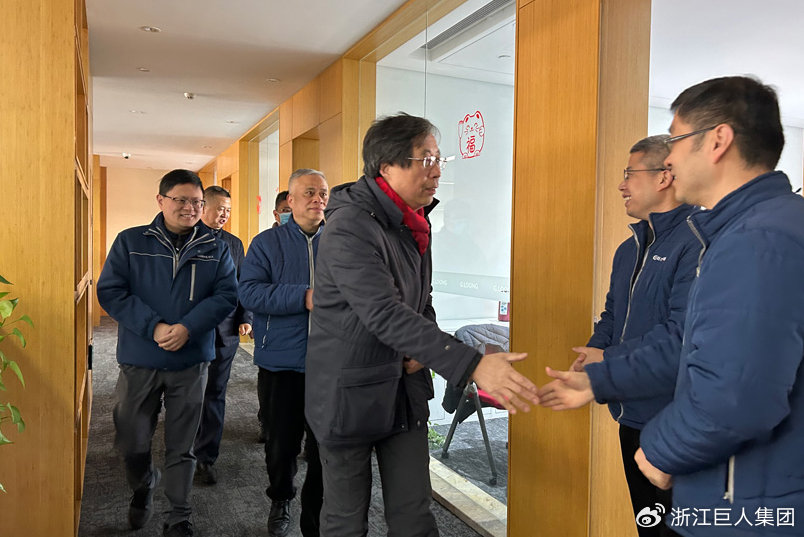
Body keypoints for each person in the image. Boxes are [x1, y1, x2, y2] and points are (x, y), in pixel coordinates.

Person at [304, 113, 539, 536]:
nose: (438, 171)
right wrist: (471, 364)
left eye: (439, 159)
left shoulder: (413, 220)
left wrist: (420, 351)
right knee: (346, 520)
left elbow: (419, 303)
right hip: (349, 392)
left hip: (403, 391)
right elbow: (383, 311)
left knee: (414, 516)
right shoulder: (350, 226)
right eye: (426, 159)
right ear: (386, 166)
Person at [632, 76, 804, 536]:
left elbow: (737, 395)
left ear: (717, 140)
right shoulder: (758, 228)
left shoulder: (759, 240)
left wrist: (661, 448)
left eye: (675, 139)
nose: (668, 157)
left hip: (746, 503)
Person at [538, 135, 699, 536]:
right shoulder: (629, 249)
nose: (621, 185)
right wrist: (594, 350)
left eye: (630, 174)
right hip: (631, 413)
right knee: (649, 526)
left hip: (676, 419)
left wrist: (607, 361)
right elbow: (612, 314)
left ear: (664, 177)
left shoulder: (695, 243)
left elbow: (681, 333)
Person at [97, 169, 237, 537]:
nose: (190, 208)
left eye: (197, 202)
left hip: (191, 360)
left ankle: (179, 515)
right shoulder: (130, 241)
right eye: (181, 200)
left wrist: (188, 327)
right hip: (140, 358)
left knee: (182, 444)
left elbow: (226, 295)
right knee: (131, 438)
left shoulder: (216, 246)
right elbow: (111, 291)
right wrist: (154, 326)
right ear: (161, 200)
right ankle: (144, 483)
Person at [239, 169, 328, 537]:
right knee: (281, 444)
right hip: (281, 362)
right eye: (309, 192)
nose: (318, 199)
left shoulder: (340, 242)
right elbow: (249, 293)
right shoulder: (266, 243)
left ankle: (315, 516)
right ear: (290, 201)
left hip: (331, 363)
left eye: (323, 193)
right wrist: (303, 296)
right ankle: (281, 497)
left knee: (324, 447)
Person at [192, 185, 253, 485]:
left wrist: (245, 317)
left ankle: (206, 457)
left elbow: (243, 283)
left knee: (216, 392)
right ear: (203, 207)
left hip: (225, 331)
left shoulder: (234, 243)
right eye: (220, 209)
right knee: (189, 392)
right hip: (191, 331)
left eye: (228, 210)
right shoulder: (187, 238)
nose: (224, 215)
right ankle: (183, 451)